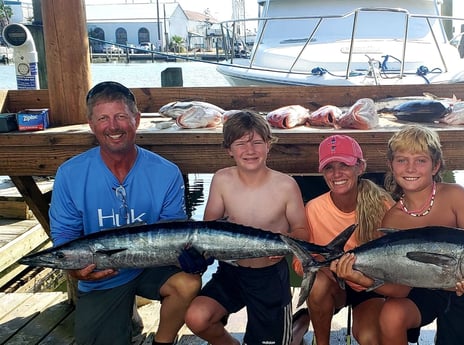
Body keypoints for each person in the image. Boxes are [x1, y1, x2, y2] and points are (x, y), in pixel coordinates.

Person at [49, 81, 203, 345]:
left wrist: (188, 256)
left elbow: (172, 230)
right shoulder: (70, 173)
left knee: (188, 282)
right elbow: (64, 234)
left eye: (121, 116)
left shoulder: (166, 172)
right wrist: (75, 271)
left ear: (137, 120)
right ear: (91, 124)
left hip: (150, 267)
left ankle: (162, 341)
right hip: (102, 274)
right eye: (103, 118)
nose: (113, 126)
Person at [331, 125, 464, 345]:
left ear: (435, 166)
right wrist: (358, 277)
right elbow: (399, 289)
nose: (410, 168)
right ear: (391, 166)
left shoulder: (457, 197)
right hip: (421, 289)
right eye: (402, 160)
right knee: (391, 314)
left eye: (420, 160)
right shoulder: (393, 220)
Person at [184, 110, 309, 345]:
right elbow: (208, 229)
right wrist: (198, 254)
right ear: (229, 149)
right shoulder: (221, 179)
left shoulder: (286, 185)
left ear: (269, 145)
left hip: (270, 277)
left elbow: (302, 231)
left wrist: (286, 241)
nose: (249, 150)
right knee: (197, 317)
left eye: (257, 142)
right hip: (231, 271)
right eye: (240, 143)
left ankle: (294, 332)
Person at [292, 135, 394, 345]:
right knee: (317, 283)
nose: (336, 173)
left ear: (360, 167)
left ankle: (306, 317)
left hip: (369, 288)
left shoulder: (383, 204)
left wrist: (360, 277)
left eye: (344, 165)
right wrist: (326, 270)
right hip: (333, 286)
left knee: (369, 338)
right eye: (329, 167)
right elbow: (298, 261)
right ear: (322, 172)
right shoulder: (313, 208)